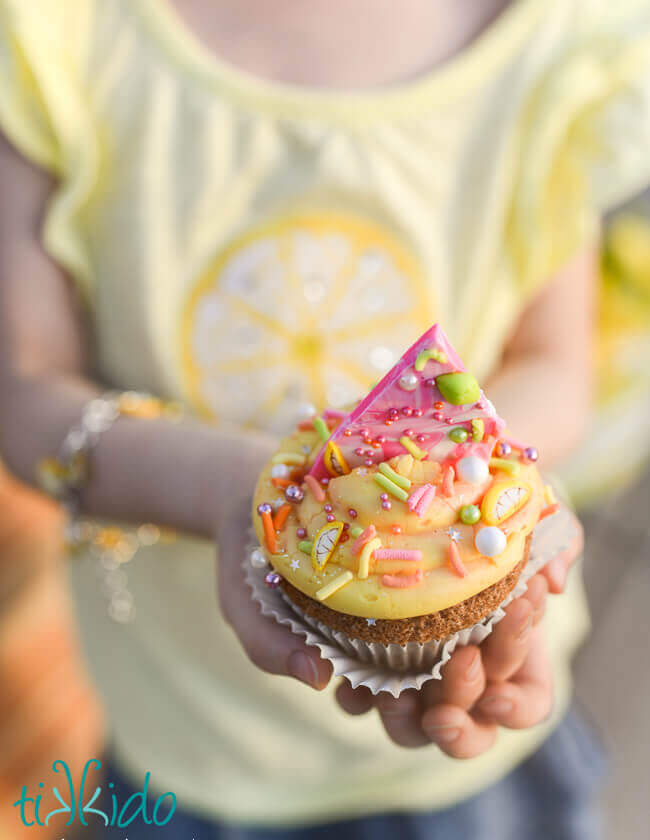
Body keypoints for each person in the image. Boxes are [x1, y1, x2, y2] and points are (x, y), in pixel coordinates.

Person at [0, 1, 648, 837]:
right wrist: (239, 488)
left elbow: (554, 365)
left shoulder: (552, 42)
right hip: (191, 740)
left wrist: (471, 500)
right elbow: (25, 393)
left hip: (478, 736)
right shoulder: (59, 36)